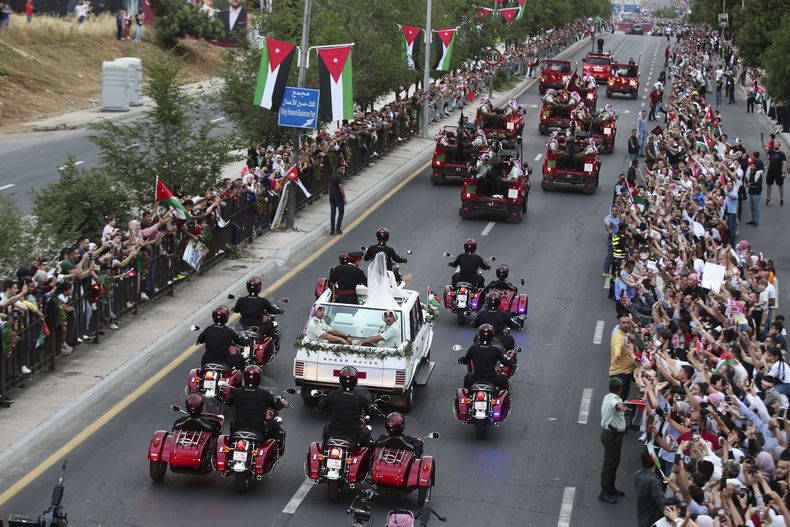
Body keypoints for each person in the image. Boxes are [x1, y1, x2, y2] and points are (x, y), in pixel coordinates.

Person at [224, 365, 288, 439]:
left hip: (237, 427)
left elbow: (228, 403)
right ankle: (275, 449)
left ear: (244, 378)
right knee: (276, 426)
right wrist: (283, 402)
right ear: (259, 379)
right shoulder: (264, 393)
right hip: (258, 428)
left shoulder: (236, 392)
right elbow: (276, 406)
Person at [317, 366, 375, 447]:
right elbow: (369, 412)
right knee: (368, 429)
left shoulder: (333, 394)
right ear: (355, 380)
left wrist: (321, 405)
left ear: (340, 379)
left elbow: (321, 406)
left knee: (326, 427)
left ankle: (324, 447)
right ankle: (365, 457)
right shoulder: (361, 398)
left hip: (333, 432)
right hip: (353, 434)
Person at [599, 377, 628, 504]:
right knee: (609, 464)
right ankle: (604, 491)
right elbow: (616, 406)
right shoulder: (614, 400)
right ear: (620, 389)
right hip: (612, 436)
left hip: (613, 435)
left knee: (614, 463)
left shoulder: (608, 397)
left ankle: (610, 487)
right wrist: (622, 407)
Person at [458, 324, 512, 391]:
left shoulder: (473, 348)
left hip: (475, 378)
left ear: (479, 336)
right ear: (492, 336)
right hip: (492, 379)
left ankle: (468, 395)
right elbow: (506, 363)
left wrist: (461, 359)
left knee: (467, 378)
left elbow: (465, 360)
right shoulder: (495, 350)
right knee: (504, 378)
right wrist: (510, 361)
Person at [196, 305, 246, 369]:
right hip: (224, 360)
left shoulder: (208, 329)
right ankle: (241, 378)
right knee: (240, 358)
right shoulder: (228, 331)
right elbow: (242, 342)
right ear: (226, 317)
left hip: (207, 360)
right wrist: (249, 340)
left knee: (202, 371)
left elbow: (200, 340)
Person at [634, 450, 666, 526]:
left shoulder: (638, 474)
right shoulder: (653, 481)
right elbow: (661, 501)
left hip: (643, 513)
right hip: (652, 518)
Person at [609, 314, 635, 400]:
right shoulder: (618, 337)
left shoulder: (624, 332)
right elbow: (618, 347)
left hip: (625, 372)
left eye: (628, 322)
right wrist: (617, 356)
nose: (626, 324)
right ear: (619, 324)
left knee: (623, 398)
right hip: (620, 374)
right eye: (623, 322)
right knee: (620, 399)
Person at [329, 165, 346, 235]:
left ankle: (332, 229)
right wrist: (344, 197)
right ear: (337, 169)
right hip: (338, 198)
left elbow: (329, 186)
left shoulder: (332, 176)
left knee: (333, 213)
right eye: (341, 169)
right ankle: (338, 229)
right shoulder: (340, 177)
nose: (343, 170)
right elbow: (341, 188)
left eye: (344, 169)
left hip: (332, 197)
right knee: (341, 211)